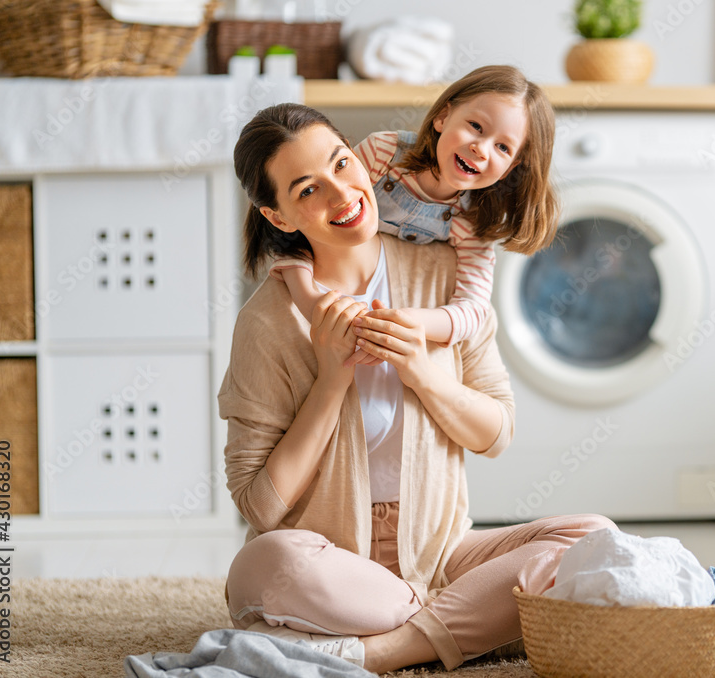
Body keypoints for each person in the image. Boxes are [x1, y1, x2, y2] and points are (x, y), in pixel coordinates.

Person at [219, 103, 615, 674]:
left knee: (593, 538)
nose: (341, 194)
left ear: (360, 156)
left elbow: (496, 433)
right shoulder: (269, 322)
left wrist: (425, 374)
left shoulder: (445, 278)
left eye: (341, 163)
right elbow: (260, 505)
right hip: (328, 565)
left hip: (441, 552)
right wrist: (331, 381)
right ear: (278, 217)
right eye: (307, 190)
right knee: (272, 562)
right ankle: (467, 622)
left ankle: (383, 649)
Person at [267, 65, 558, 366]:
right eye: (476, 126)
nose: (481, 149)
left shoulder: (473, 222)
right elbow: (304, 224)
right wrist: (311, 303)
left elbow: (473, 310)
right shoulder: (385, 153)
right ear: (443, 117)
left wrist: (409, 321)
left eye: (503, 147)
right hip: (329, 290)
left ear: (511, 167)